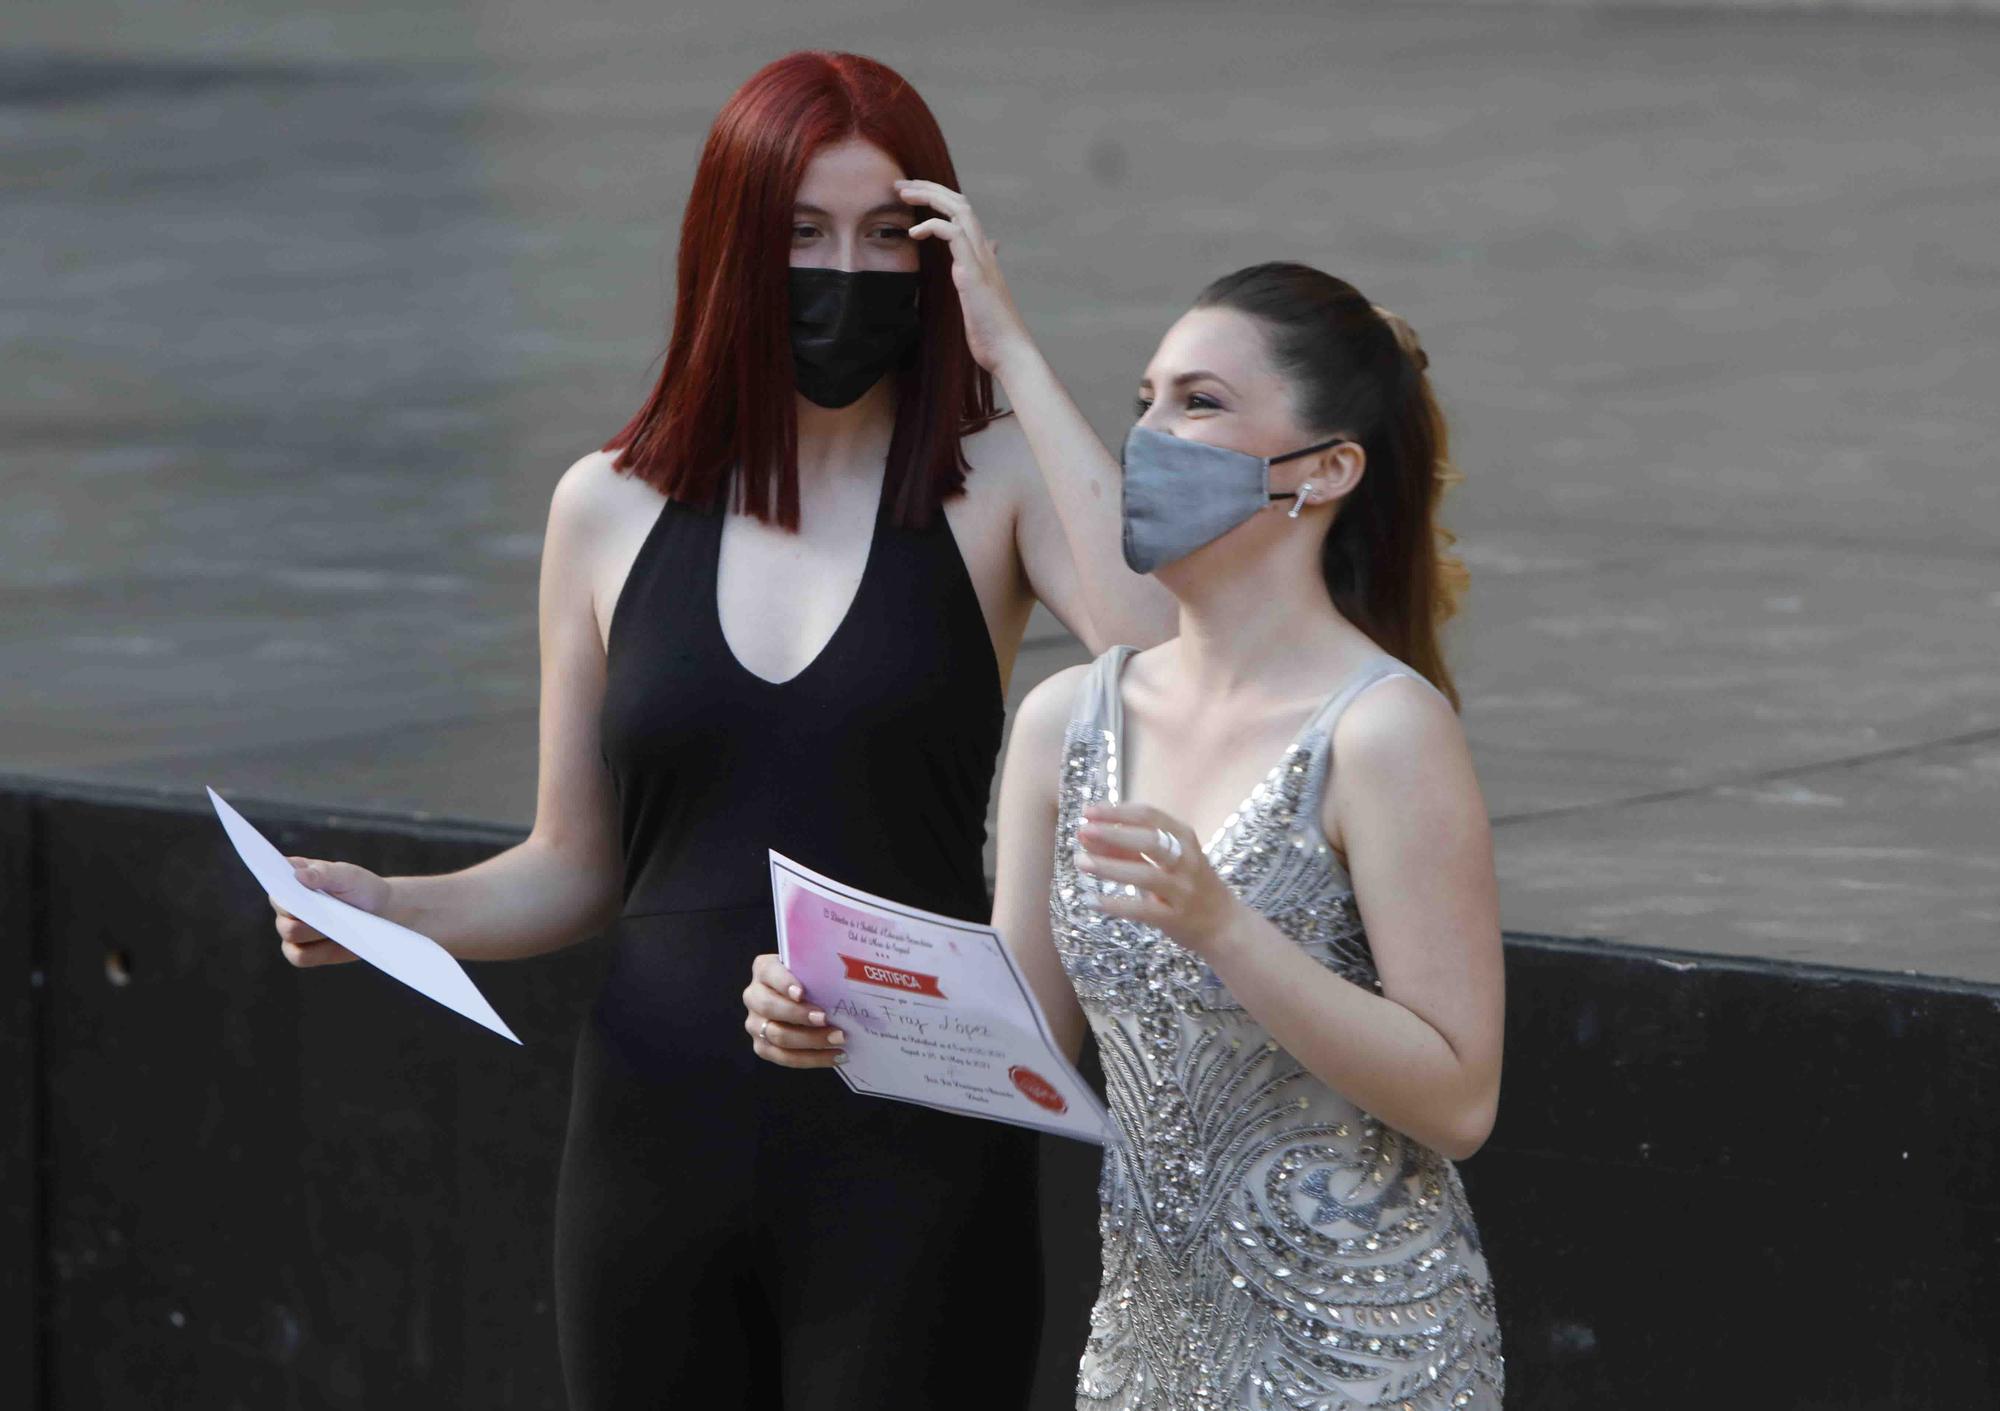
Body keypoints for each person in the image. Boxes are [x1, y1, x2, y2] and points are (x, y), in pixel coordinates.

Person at [269, 50, 1174, 1410]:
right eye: (803, 233)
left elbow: (1162, 650)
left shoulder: (988, 482)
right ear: (731, 246)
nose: (846, 273)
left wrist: (1013, 348)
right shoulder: (608, 505)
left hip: (912, 1139)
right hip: (654, 1143)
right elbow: (580, 860)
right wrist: (388, 902)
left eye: (888, 236)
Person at [749, 261, 1507, 1408]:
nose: (1151, 434)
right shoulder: (1067, 720)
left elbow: (1458, 1100)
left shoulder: (1383, 731)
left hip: (1367, 1359)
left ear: (1324, 471)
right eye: (1146, 399)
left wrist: (1224, 928)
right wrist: (836, 1011)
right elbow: (1024, 1037)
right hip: (1145, 1360)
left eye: (1199, 404)